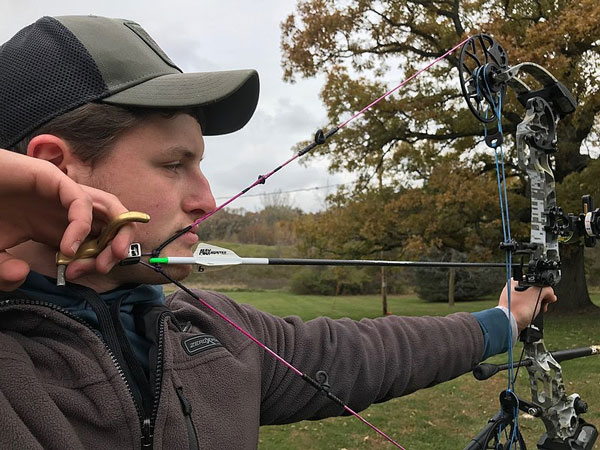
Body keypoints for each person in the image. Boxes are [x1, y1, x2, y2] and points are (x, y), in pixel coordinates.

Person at [0, 16, 556, 450]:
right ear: (58, 168)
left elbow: (365, 354)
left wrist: (505, 320)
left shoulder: (211, 330)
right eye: (175, 164)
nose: (207, 200)